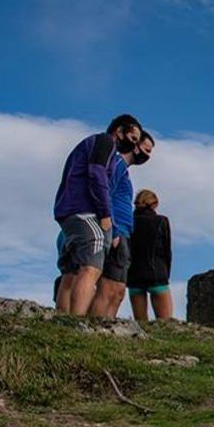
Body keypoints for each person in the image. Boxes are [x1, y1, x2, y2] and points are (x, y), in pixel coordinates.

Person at [54, 114, 143, 315]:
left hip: (70, 211)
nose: (134, 145)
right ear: (119, 132)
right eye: (133, 138)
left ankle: (64, 318)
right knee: (91, 268)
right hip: (85, 212)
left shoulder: (93, 145)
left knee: (74, 271)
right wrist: (105, 214)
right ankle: (78, 322)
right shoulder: (105, 142)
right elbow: (97, 173)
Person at [91, 130, 155, 318]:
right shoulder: (117, 163)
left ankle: (107, 328)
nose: (147, 156)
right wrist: (114, 229)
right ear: (135, 146)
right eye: (146, 149)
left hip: (124, 231)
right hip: (116, 231)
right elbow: (106, 193)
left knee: (118, 291)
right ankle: (96, 326)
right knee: (109, 287)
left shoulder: (123, 170)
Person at [126, 188, 173, 321]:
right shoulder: (161, 221)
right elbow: (166, 251)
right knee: (166, 323)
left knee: (141, 323)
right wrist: (166, 274)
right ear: (155, 204)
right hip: (157, 273)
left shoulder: (129, 222)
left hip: (134, 275)